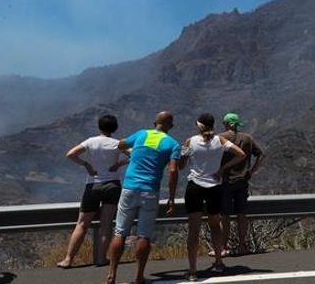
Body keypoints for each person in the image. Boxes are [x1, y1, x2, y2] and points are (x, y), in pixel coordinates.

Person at [106, 111, 180, 284]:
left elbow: (120, 144)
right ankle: (139, 277)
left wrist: (132, 151)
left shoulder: (141, 134)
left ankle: (111, 274)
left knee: (120, 232)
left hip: (129, 188)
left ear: (154, 122)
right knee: (144, 236)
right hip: (150, 191)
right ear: (171, 126)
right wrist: (171, 197)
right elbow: (173, 170)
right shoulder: (173, 144)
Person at [180, 113, 245, 281]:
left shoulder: (190, 141)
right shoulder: (220, 141)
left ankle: (193, 271)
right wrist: (222, 169)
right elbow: (241, 154)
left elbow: (181, 165)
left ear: (199, 125)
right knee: (215, 226)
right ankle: (218, 262)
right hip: (215, 187)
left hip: (194, 186)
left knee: (193, 230)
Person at [57, 114, 128, 268]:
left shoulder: (90, 142)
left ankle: (68, 259)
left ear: (99, 127)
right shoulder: (117, 144)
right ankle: (102, 259)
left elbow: (70, 154)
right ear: (114, 128)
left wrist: (86, 165)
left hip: (93, 185)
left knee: (82, 223)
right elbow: (133, 155)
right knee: (106, 224)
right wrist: (118, 165)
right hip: (112, 185)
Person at [218, 112, 265, 256]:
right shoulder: (247, 138)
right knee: (241, 214)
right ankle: (242, 246)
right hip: (243, 180)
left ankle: (223, 247)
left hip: (225, 181)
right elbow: (262, 155)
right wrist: (251, 171)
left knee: (224, 216)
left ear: (226, 123)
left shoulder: (221, 138)